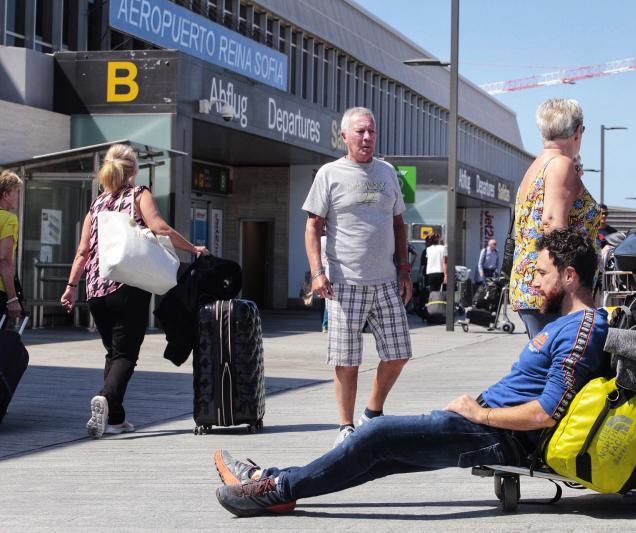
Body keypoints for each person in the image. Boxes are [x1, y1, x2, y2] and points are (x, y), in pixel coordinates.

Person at [212, 229, 609, 517]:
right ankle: (272, 478)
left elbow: (546, 413)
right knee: (374, 454)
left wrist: (479, 413)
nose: (535, 282)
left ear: (569, 275)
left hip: (497, 436)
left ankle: (274, 488)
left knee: (377, 434)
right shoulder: (564, 324)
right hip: (485, 425)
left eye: (542, 272)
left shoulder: (583, 329)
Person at [60, 144, 208, 439]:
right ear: (133, 170)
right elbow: (161, 229)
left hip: (95, 290)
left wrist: (70, 287)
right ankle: (105, 396)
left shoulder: (96, 205)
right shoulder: (138, 195)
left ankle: (115, 419)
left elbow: (82, 252)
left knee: (114, 353)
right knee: (126, 354)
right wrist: (193, 249)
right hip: (128, 285)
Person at [302, 107, 413, 447]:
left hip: (386, 281)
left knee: (399, 352)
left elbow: (398, 224)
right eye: (361, 132)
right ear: (345, 136)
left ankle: (373, 414)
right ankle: (345, 426)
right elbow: (312, 226)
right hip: (344, 283)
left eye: (372, 132)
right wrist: (318, 273)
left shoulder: (388, 172)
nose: (367, 138)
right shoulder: (329, 173)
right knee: (346, 360)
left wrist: (404, 269)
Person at [510, 98, 601, 340]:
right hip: (554, 290)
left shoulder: (538, 165)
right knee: (558, 370)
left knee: (544, 366)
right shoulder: (561, 165)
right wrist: (563, 284)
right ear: (578, 131)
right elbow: (553, 223)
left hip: (531, 284)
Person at [0, 170, 23, 325]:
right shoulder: (9, 219)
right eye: (16, 192)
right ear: (6, 194)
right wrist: (13, 298)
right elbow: (3, 261)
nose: (18, 196)